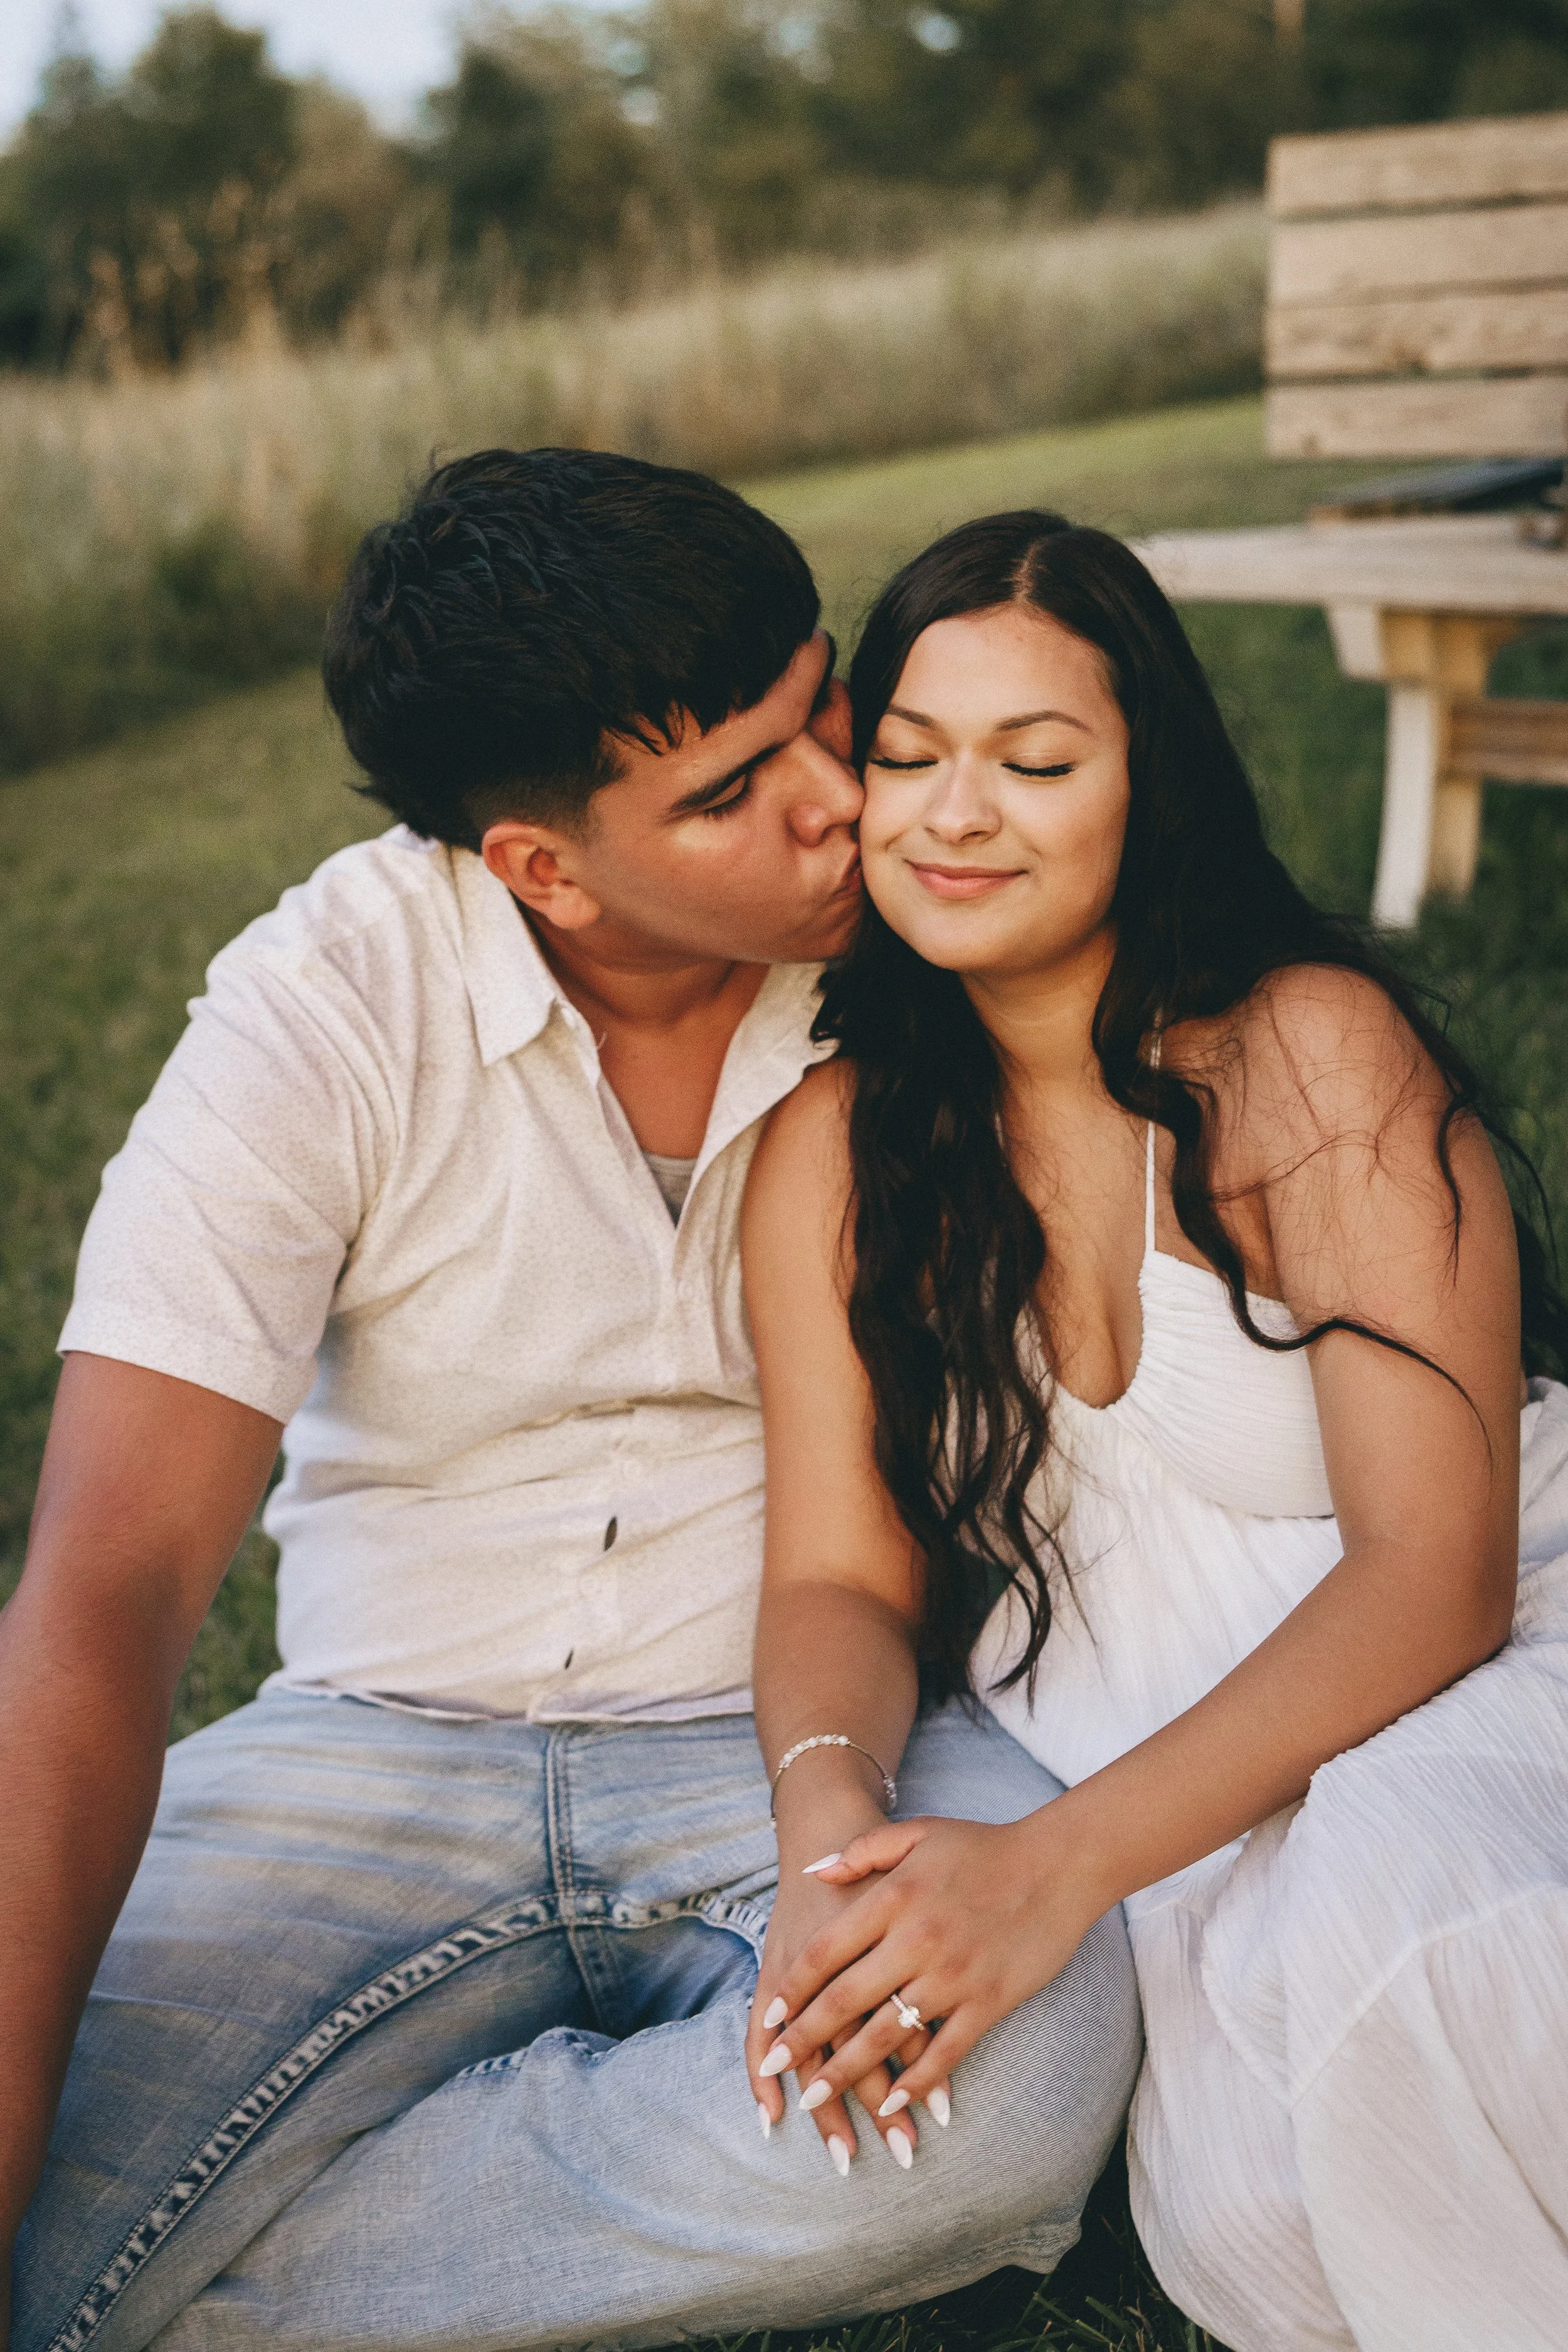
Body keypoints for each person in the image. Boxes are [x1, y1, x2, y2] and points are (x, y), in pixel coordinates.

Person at [3, 455, 1140, 2352]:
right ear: (537, 861)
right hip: (369, 1748)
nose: (839, 801)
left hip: (797, 1739)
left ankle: (220, 2292)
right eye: (728, 792)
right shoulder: (326, 1007)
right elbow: (104, 1598)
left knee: (1012, 2103)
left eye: (820, 713)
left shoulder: (930, 943)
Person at [741, 511, 1568, 2352]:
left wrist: (1046, 1871)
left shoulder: (1299, 1049)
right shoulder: (830, 1160)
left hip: (1469, 1701)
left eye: (1034, 761)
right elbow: (829, 1573)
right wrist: (828, 1819)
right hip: (1189, 1840)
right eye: (907, 758)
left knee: (1406, 1925)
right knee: (1247, 2202)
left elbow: (1434, 1582)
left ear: (1145, 787)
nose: (956, 814)